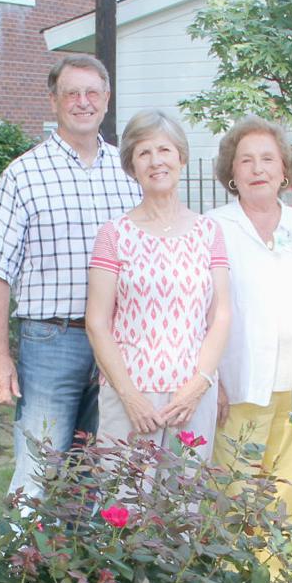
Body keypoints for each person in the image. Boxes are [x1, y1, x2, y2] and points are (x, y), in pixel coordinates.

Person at [0, 53, 141, 500]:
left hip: (120, 344)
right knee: (38, 472)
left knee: (107, 471)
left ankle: (86, 569)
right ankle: (20, 568)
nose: (82, 102)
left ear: (106, 99)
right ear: (54, 101)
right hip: (52, 343)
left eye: (92, 92)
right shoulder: (24, 174)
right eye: (72, 93)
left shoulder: (130, 175)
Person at [207, 117, 292, 520]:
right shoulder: (213, 227)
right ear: (232, 172)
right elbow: (198, 312)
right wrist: (212, 381)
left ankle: (280, 580)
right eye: (246, 161)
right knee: (232, 493)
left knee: (289, 496)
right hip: (238, 384)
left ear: (284, 169)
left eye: (267, 159)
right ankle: (229, 581)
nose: (257, 169)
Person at [85, 110, 229, 459]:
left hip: (191, 397)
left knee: (185, 507)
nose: (155, 161)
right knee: (125, 504)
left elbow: (221, 315)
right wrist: (130, 396)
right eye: (143, 153)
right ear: (132, 166)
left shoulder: (208, 232)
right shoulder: (114, 234)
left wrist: (199, 385)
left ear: (181, 157)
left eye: (164, 150)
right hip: (130, 395)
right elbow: (97, 322)